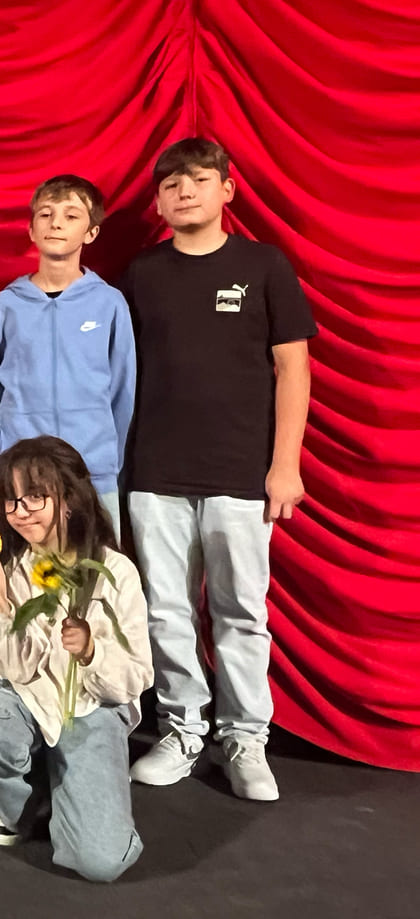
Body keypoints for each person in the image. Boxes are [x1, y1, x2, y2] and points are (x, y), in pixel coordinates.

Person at [123, 138, 316, 802]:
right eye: (170, 184)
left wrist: (284, 465)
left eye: (198, 180)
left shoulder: (265, 266)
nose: (183, 192)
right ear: (158, 201)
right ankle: (182, 729)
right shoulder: (142, 273)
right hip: (154, 472)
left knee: (240, 613)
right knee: (166, 613)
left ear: (227, 190)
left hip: (241, 472)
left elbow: (294, 366)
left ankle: (245, 737)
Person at [0, 436, 153, 883]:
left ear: (69, 499)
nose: (20, 512)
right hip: (26, 696)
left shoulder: (114, 570)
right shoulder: (12, 565)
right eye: (11, 501)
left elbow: (136, 676)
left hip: (93, 706)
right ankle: (23, 803)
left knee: (100, 862)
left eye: (35, 497)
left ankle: (74, 791)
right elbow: (12, 670)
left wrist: (92, 650)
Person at [0, 174, 135, 539]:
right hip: (23, 475)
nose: (56, 223)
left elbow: (123, 393)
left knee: (99, 577)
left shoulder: (109, 303)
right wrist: (3, 464)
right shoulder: (6, 305)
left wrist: (108, 462)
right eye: (46, 214)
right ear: (32, 229)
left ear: (91, 232)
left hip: (93, 472)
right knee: (27, 582)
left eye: (70, 215)